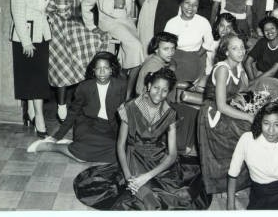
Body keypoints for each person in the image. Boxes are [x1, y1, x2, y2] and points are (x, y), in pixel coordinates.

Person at [73, 68, 212, 210]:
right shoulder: (130, 107)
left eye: (165, 90)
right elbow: (121, 145)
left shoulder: (170, 113)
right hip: (134, 156)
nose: (159, 93)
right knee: (148, 197)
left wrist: (147, 177)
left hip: (158, 158)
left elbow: (172, 155)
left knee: (178, 196)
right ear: (149, 86)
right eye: (156, 88)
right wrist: (128, 177)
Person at [27, 52, 127, 163]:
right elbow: (73, 113)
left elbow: (126, 112)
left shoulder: (121, 86)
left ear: (111, 70)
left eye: (105, 68)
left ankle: (72, 146)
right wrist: (57, 136)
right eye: (98, 68)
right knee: (82, 155)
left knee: (120, 153)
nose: (102, 72)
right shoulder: (84, 87)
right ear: (93, 71)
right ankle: (51, 147)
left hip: (109, 128)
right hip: (88, 125)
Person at [47, 0, 109, 122]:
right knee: (64, 64)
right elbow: (64, 14)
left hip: (63, 23)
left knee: (92, 44)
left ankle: (81, 99)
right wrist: (83, 21)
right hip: (56, 27)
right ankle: (62, 105)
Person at [81, 0, 144, 97]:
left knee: (138, 48)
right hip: (109, 23)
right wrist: (92, 27)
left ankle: (120, 79)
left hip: (126, 21)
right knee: (136, 47)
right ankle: (128, 93)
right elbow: (85, 4)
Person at [198, 34, 253, 194]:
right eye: (235, 48)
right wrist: (248, 116)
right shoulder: (222, 69)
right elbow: (221, 106)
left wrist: (244, 103)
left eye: (242, 47)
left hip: (225, 110)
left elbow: (238, 94)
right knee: (246, 131)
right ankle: (227, 183)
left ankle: (237, 180)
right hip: (213, 114)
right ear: (226, 52)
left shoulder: (239, 67)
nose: (240, 51)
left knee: (251, 129)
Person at [10, 0, 52, 137]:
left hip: (42, 33)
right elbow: (17, 11)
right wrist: (25, 41)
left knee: (40, 77)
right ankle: (39, 119)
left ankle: (32, 113)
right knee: (34, 79)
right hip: (25, 36)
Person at [164, 0, 213, 83]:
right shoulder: (172, 23)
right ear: (181, 3)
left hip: (196, 56)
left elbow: (208, 42)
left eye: (195, 5)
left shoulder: (203, 22)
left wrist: (196, 56)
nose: (190, 7)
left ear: (198, 7)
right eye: (187, 3)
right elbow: (166, 46)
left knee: (188, 80)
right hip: (175, 57)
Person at [245, 16, 278, 88]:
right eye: (266, 29)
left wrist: (252, 83)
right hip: (260, 77)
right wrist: (253, 81)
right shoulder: (262, 42)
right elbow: (247, 62)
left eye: (272, 28)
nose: (269, 31)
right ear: (263, 32)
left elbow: (272, 72)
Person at [135, 31, 178, 97]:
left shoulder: (154, 56)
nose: (171, 53)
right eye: (166, 49)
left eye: (173, 48)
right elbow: (155, 95)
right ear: (156, 49)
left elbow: (172, 61)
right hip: (146, 100)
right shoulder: (154, 67)